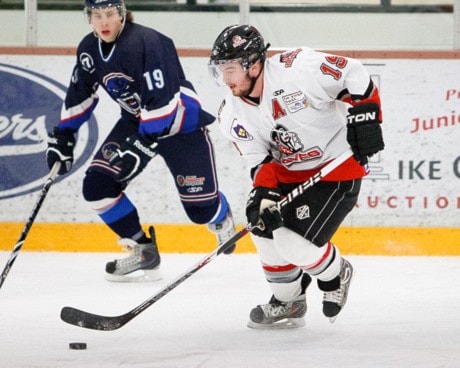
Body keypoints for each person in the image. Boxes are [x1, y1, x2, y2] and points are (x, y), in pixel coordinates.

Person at [45, 0, 237, 282]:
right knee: (97, 186)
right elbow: (80, 93)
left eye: (110, 14)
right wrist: (63, 135)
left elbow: (164, 100)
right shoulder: (89, 49)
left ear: (122, 14)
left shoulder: (147, 42)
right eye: (96, 16)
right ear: (89, 18)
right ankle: (144, 251)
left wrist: (144, 139)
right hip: (136, 123)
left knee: (200, 211)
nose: (104, 22)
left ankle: (219, 213)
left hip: (179, 125)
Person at [208, 25, 384, 329]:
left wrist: (366, 113)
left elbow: (353, 73)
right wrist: (263, 196)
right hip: (288, 177)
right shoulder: (230, 113)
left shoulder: (299, 68)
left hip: (335, 168)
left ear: (253, 63)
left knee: (292, 244)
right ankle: (289, 302)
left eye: (231, 68)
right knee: (263, 232)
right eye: (221, 69)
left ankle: (335, 273)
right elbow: (259, 160)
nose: (225, 78)